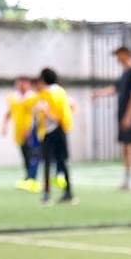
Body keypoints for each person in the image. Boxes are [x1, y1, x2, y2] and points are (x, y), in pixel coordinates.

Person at [92, 45, 131, 193]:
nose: (117, 58)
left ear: (126, 54)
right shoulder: (124, 75)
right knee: (126, 147)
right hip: (123, 116)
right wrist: (98, 94)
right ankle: (127, 180)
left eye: (119, 55)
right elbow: (114, 89)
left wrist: (129, 116)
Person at [36, 67, 76, 204]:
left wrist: (49, 115)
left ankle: (47, 194)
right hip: (62, 129)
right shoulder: (62, 91)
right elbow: (73, 105)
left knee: (47, 162)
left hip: (49, 130)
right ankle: (69, 192)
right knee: (63, 161)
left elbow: (42, 109)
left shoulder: (45, 93)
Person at [1, 75, 40, 193]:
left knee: (33, 154)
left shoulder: (34, 97)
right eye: (19, 83)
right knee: (25, 154)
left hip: (31, 130)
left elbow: (37, 114)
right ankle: (28, 176)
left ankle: (33, 179)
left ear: (28, 84)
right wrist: (4, 126)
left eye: (24, 83)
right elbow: (9, 112)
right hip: (18, 131)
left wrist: (31, 129)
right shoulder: (13, 98)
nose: (21, 86)